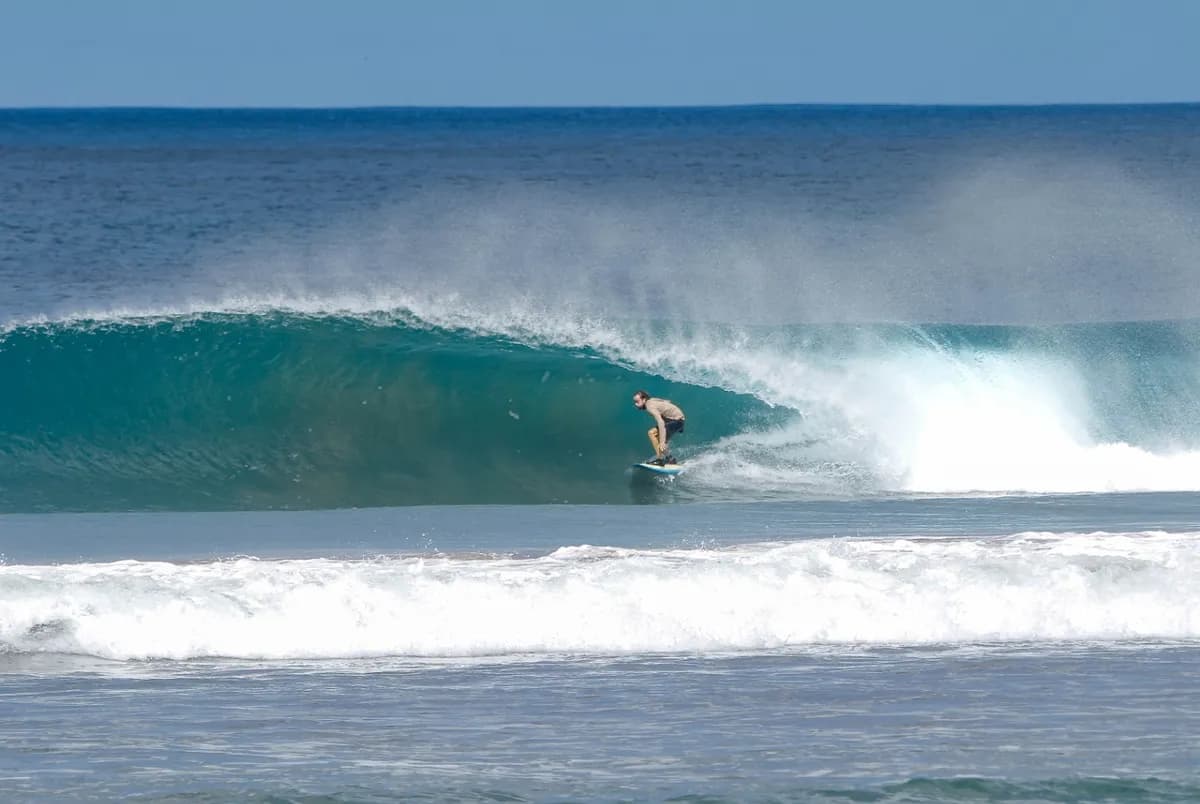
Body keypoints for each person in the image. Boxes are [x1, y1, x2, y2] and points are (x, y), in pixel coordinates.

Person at [632, 390, 686, 465]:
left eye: (637, 402)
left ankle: (661, 459)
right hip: (675, 420)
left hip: (676, 421)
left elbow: (661, 422)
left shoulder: (649, 407)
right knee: (651, 433)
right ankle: (669, 459)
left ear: (644, 400)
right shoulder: (651, 400)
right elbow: (666, 401)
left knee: (661, 442)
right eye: (635, 402)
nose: (636, 404)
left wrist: (662, 441)